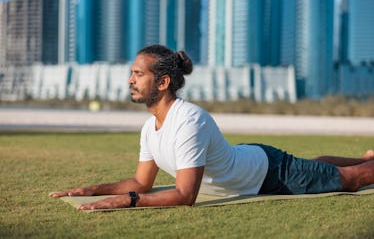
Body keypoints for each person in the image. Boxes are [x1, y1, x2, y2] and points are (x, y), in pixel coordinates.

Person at [50, 44, 374, 210]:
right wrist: (94, 190)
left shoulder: (189, 120)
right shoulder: (151, 128)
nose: (130, 80)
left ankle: (366, 165)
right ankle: (367, 156)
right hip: (253, 162)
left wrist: (129, 201)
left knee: (348, 181)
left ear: (163, 82)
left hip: (268, 173)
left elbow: (185, 195)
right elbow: (140, 181)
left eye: (138, 74)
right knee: (314, 168)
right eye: (131, 73)